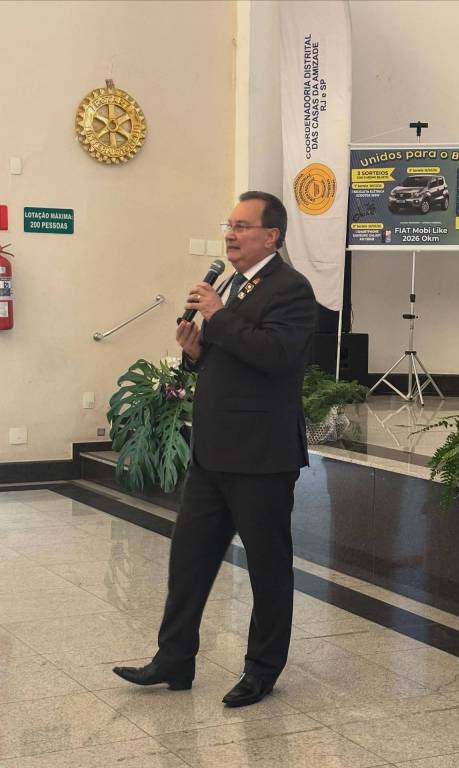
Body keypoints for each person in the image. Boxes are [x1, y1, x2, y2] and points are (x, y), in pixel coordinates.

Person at [113, 191, 317, 707]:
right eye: (229, 225)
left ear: (271, 236)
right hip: (212, 453)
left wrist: (219, 317)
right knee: (189, 562)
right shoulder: (230, 284)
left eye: (242, 226)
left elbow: (276, 356)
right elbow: (229, 358)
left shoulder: (292, 289)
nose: (230, 234)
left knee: (268, 568)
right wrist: (196, 352)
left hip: (262, 456)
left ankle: (262, 669)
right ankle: (174, 659)